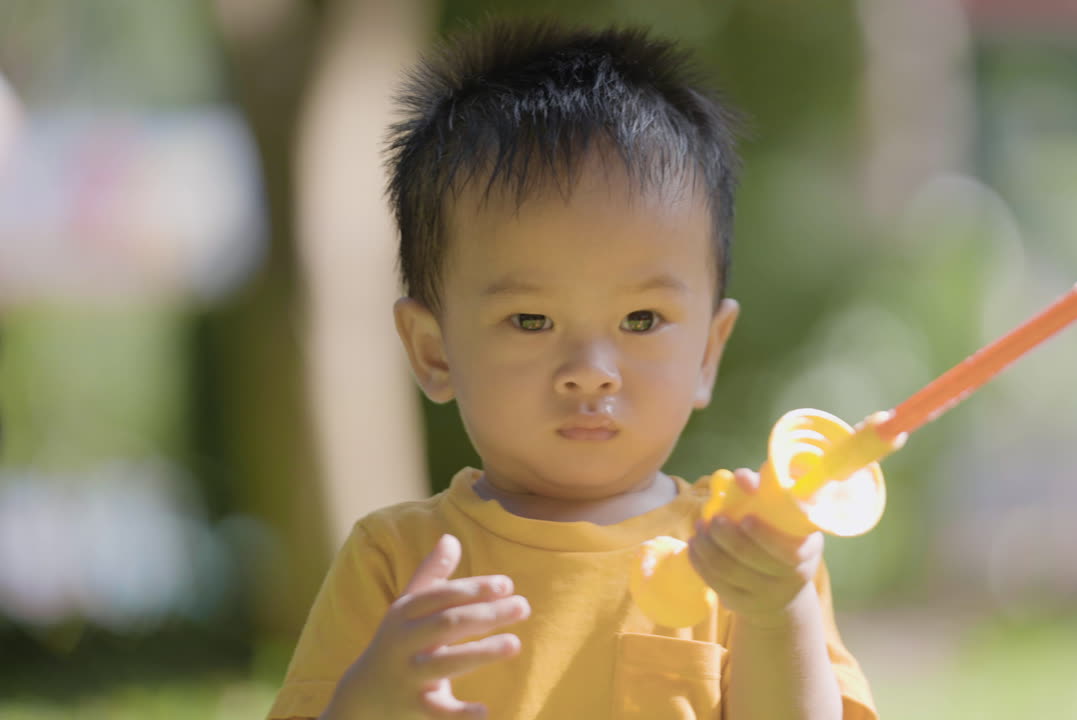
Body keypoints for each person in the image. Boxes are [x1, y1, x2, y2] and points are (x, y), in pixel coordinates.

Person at [269, 18, 876, 720]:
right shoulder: (397, 561)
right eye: (532, 321)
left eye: (641, 321)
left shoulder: (744, 554)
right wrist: (368, 702)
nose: (591, 372)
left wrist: (778, 615)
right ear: (434, 352)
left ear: (708, 351)